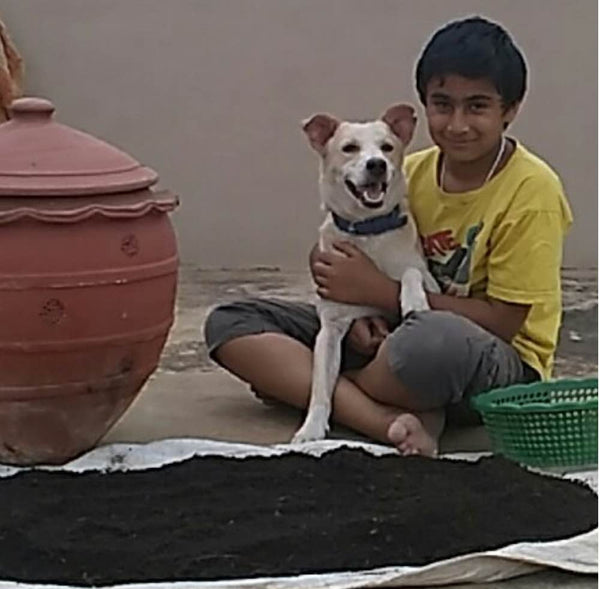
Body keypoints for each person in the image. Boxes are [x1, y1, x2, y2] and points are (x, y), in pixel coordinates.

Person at [204, 16, 572, 457]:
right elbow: (340, 245)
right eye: (442, 104)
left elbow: (505, 321)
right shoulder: (406, 170)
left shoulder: (532, 192)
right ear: (423, 107)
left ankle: (316, 386)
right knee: (231, 320)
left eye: (477, 106)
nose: (457, 124)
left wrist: (379, 293)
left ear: (510, 109)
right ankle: (380, 416)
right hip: (389, 335)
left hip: (489, 361)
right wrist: (354, 310)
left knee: (431, 343)